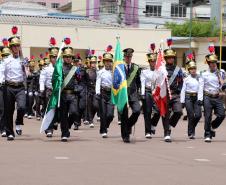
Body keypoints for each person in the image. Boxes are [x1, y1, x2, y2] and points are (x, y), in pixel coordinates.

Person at [4, 26, 27, 140]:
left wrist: (25, 67)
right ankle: (10, 133)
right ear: (11, 47)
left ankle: (18, 121)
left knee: (22, 107)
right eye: (14, 46)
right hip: (8, 87)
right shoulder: (6, 60)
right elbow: (2, 73)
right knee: (8, 111)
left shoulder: (23, 60)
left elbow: (27, 75)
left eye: (18, 45)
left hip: (20, 87)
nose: (16, 47)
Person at [199, 47, 226, 142]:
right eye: (211, 62)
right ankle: (207, 134)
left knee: (222, 115)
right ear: (208, 63)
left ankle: (213, 126)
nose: (213, 64)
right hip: (207, 96)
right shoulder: (204, 74)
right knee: (208, 116)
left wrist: (220, 77)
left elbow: (223, 85)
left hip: (217, 96)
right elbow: (200, 87)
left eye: (215, 62)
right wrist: (200, 99)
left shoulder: (221, 72)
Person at [162, 39, 183, 142]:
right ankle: (167, 133)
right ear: (165, 59)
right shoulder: (162, 69)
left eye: (172, 57)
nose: (171, 59)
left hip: (175, 95)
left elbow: (181, 81)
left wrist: (178, 90)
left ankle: (170, 124)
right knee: (165, 114)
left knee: (179, 112)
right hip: (164, 95)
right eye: (169, 57)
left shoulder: (178, 69)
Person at [120, 48, 141, 143]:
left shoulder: (136, 68)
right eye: (127, 56)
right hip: (123, 94)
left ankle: (128, 125)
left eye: (130, 56)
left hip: (133, 94)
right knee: (124, 115)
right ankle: (125, 135)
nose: (128, 58)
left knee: (137, 111)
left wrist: (140, 94)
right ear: (124, 57)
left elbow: (138, 82)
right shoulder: (119, 67)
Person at [60, 38, 78, 142]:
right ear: (63, 57)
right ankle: (64, 133)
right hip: (62, 94)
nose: (68, 59)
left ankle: (67, 127)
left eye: (69, 57)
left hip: (72, 95)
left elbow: (80, 81)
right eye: (66, 57)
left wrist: (77, 89)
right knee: (63, 115)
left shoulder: (75, 69)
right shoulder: (59, 68)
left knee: (74, 113)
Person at [39, 38, 59, 137]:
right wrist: (42, 88)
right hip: (49, 91)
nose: (55, 59)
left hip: (59, 92)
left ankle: (55, 122)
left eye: (56, 57)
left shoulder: (61, 68)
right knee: (50, 109)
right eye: (53, 57)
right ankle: (48, 129)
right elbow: (42, 79)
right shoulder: (46, 69)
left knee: (58, 109)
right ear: (50, 58)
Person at [180, 55, 202, 139]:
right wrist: (182, 102)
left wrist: (200, 99)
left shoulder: (199, 77)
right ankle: (190, 133)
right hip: (188, 97)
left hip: (196, 98)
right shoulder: (186, 79)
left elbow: (200, 88)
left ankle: (192, 127)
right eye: (191, 69)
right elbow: (183, 90)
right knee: (191, 116)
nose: (193, 70)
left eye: (194, 68)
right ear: (189, 70)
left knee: (198, 115)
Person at [140, 46, 160, 139]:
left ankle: (152, 124)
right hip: (147, 92)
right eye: (151, 61)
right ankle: (147, 131)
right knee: (147, 112)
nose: (153, 62)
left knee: (158, 111)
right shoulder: (144, 72)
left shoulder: (159, 71)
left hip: (156, 92)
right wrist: (142, 94)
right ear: (149, 62)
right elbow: (143, 83)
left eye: (154, 61)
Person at [96, 52, 114, 138]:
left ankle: (105, 125)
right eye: (106, 61)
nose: (107, 62)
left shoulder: (113, 72)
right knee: (103, 113)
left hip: (111, 94)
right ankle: (103, 130)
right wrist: (97, 92)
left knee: (110, 114)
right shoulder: (100, 72)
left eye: (109, 61)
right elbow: (98, 82)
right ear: (104, 62)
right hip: (103, 92)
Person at [0, 39, 11, 137]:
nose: (5, 57)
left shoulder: (10, 63)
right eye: (4, 55)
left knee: (4, 109)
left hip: (4, 87)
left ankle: (3, 128)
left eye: (7, 55)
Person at [86, 56, 98, 128]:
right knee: (90, 106)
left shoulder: (98, 71)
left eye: (94, 63)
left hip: (96, 91)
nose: (93, 64)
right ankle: (90, 120)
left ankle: (91, 117)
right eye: (92, 63)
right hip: (89, 90)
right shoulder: (87, 71)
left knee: (96, 106)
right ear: (90, 63)